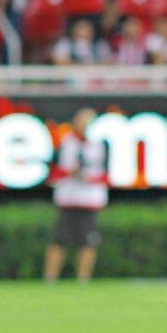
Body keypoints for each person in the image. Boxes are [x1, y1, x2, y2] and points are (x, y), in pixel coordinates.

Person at [44, 108, 108, 282]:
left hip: (90, 199)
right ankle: (50, 277)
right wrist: (71, 172)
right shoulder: (66, 142)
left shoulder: (100, 144)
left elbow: (108, 173)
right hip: (68, 197)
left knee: (88, 241)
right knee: (60, 239)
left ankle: (83, 278)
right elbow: (54, 170)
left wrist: (89, 178)